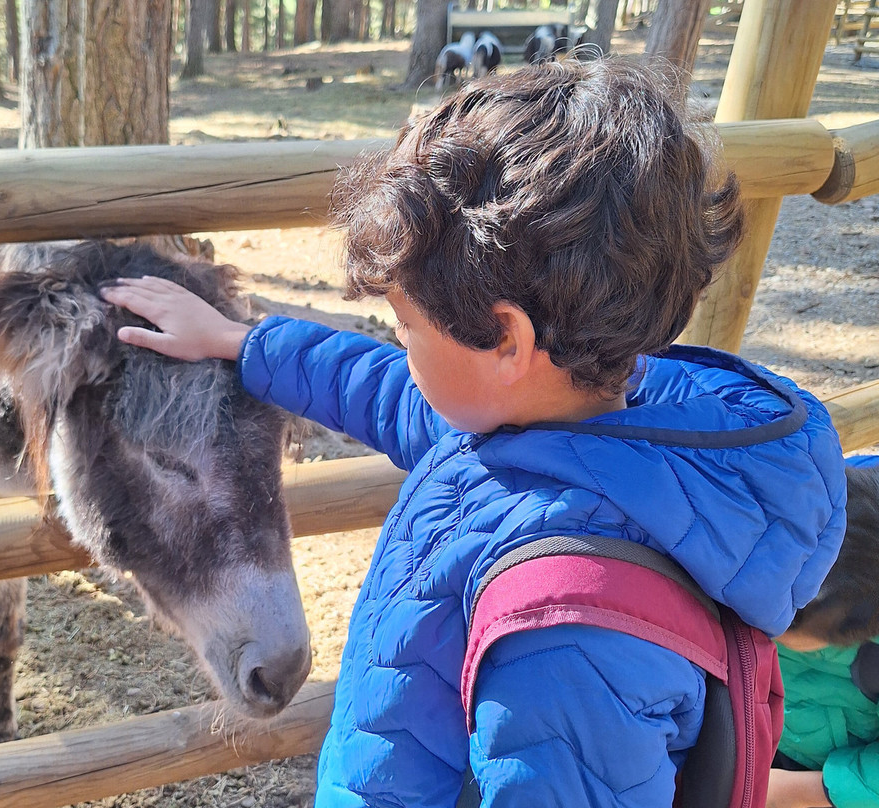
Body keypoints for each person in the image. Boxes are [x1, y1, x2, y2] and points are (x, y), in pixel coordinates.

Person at [102, 60, 847, 807]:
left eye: (406, 326)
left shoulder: (568, 639)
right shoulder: (586, 415)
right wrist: (241, 342)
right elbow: (386, 392)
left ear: (506, 341)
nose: (400, 346)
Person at [767, 456, 879, 808]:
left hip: (830, 778)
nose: (753, 610)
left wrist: (800, 791)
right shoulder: (827, 496)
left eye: (786, 618)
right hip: (765, 732)